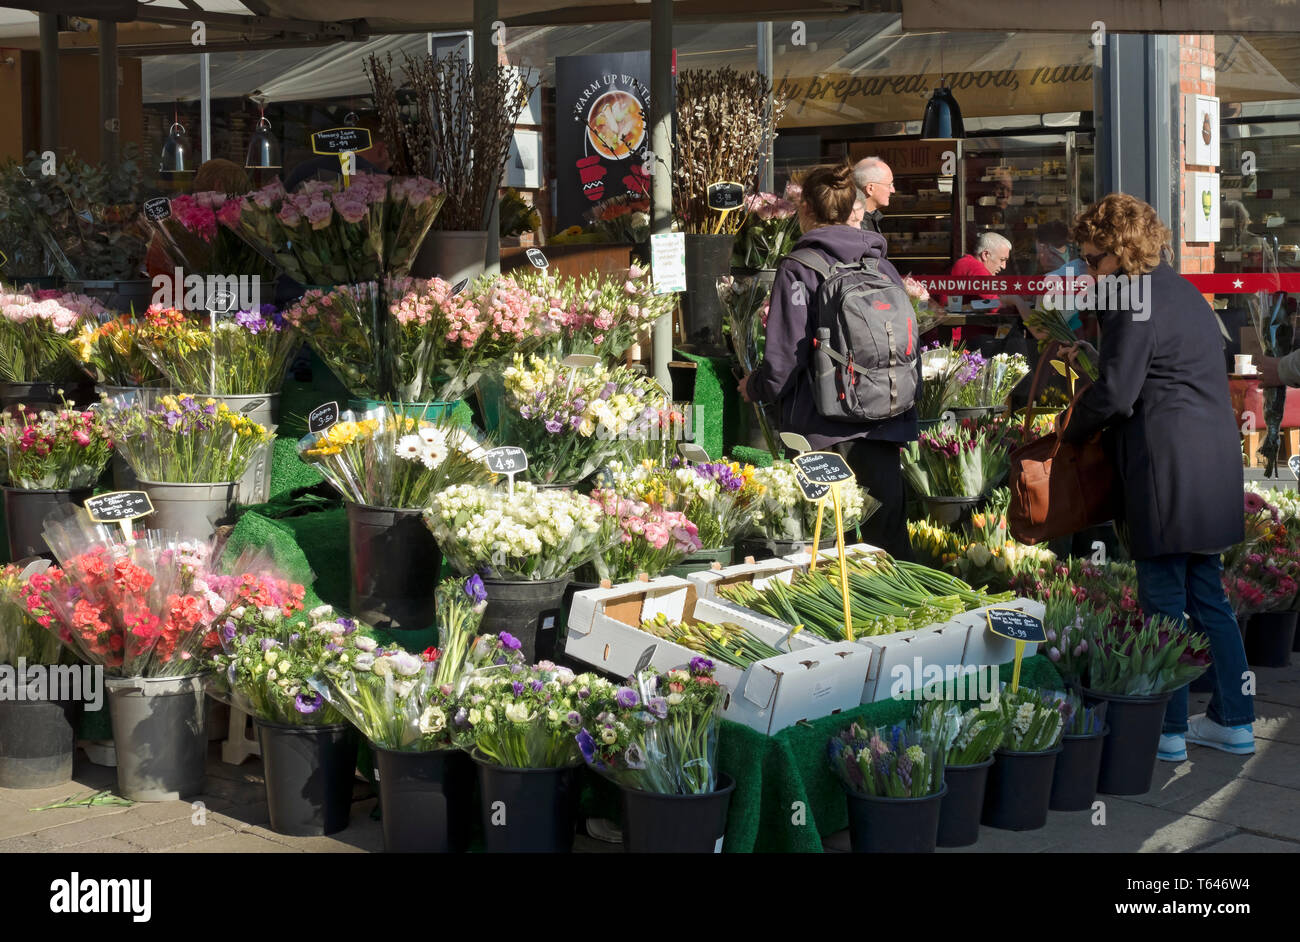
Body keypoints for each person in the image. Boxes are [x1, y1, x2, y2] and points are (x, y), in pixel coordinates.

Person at [1058, 192, 1253, 762]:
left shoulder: (1130, 296)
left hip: (1164, 464)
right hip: (1209, 462)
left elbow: (1119, 392)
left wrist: (1071, 433)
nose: (1089, 271)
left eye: (1093, 260)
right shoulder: (1183, 292)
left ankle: (1166, 732)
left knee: (1162, 600)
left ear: (1119, 251)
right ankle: (1235, 720)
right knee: (1208, 596)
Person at [738, 163, 918, 560]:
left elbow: (785, 357)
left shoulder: (800, 267)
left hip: (822, 431)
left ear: (805, 212)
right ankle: (901, 619)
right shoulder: (882, 265)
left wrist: (755, 386)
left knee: (822, 546)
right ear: (853, 206)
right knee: (884, 545)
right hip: (884, 425)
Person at [282, 113, 391, 192]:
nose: (390, 162)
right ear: (381, 150)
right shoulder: (383, 182)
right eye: (390, 154)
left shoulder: (303, 170)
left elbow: (279, 207)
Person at [852, 157, 893, 235]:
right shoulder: (854, 224)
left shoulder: (869, 218)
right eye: (889, 185)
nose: (893, 190)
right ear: (870, 188)